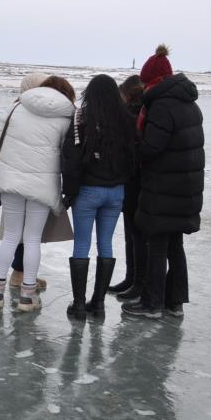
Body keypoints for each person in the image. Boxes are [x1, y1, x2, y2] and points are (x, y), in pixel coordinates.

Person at [123, 45, 204, 319]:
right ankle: (175, 301)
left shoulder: (160, 105)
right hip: (185, 189)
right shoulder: (189, 103)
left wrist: (133, 143)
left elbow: (151, 148)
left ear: (152, 81)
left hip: (164, 188)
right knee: (175, 246)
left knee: (157, 244)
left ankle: (152, 303)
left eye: (145, 82)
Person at [0, 76, 75, 312]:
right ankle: (27, 296)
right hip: (43, 185)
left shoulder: (17, 106)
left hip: (10, 180)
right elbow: (69, 154)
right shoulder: (67, 116)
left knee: (11, 236)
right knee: (32, 238)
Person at [61, 74, 135, 318]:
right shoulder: (126, 119)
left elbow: (71, 159)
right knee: (106, 243)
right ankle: (99, 303)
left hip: (87, 190)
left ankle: (79, 304)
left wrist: (69, 193)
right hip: (116, 192)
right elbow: (133, 157)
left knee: (82, 244)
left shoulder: (81, 118)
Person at [7, 72, 50, 291]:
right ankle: (21, 276)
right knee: (31, 234)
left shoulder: (13, 110)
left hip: (13, 178)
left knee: (15, 232)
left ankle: (17, 275)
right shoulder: (48, 112)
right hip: (38, 180)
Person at [110, 75, 147, 299]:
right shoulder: (134, 111)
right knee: (131, 232)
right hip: (132, 180)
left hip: (137, 180)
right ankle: (132, 277)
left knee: (137, 233)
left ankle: (138, 280)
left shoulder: (137, 112)